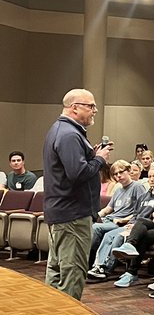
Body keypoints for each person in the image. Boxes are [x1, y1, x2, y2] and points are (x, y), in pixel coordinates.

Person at [42, 89, 114, 300]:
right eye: (90, 106)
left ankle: (53, 313)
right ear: (74, 108)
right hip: (73, 214)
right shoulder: (70, 135)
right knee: (72, 272)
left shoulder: (61, 130)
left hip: (63, 212)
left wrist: (91, 155)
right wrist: (99, 159)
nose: (95, 110)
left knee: (57, 270)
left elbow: (72, 168)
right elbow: (78, 173)